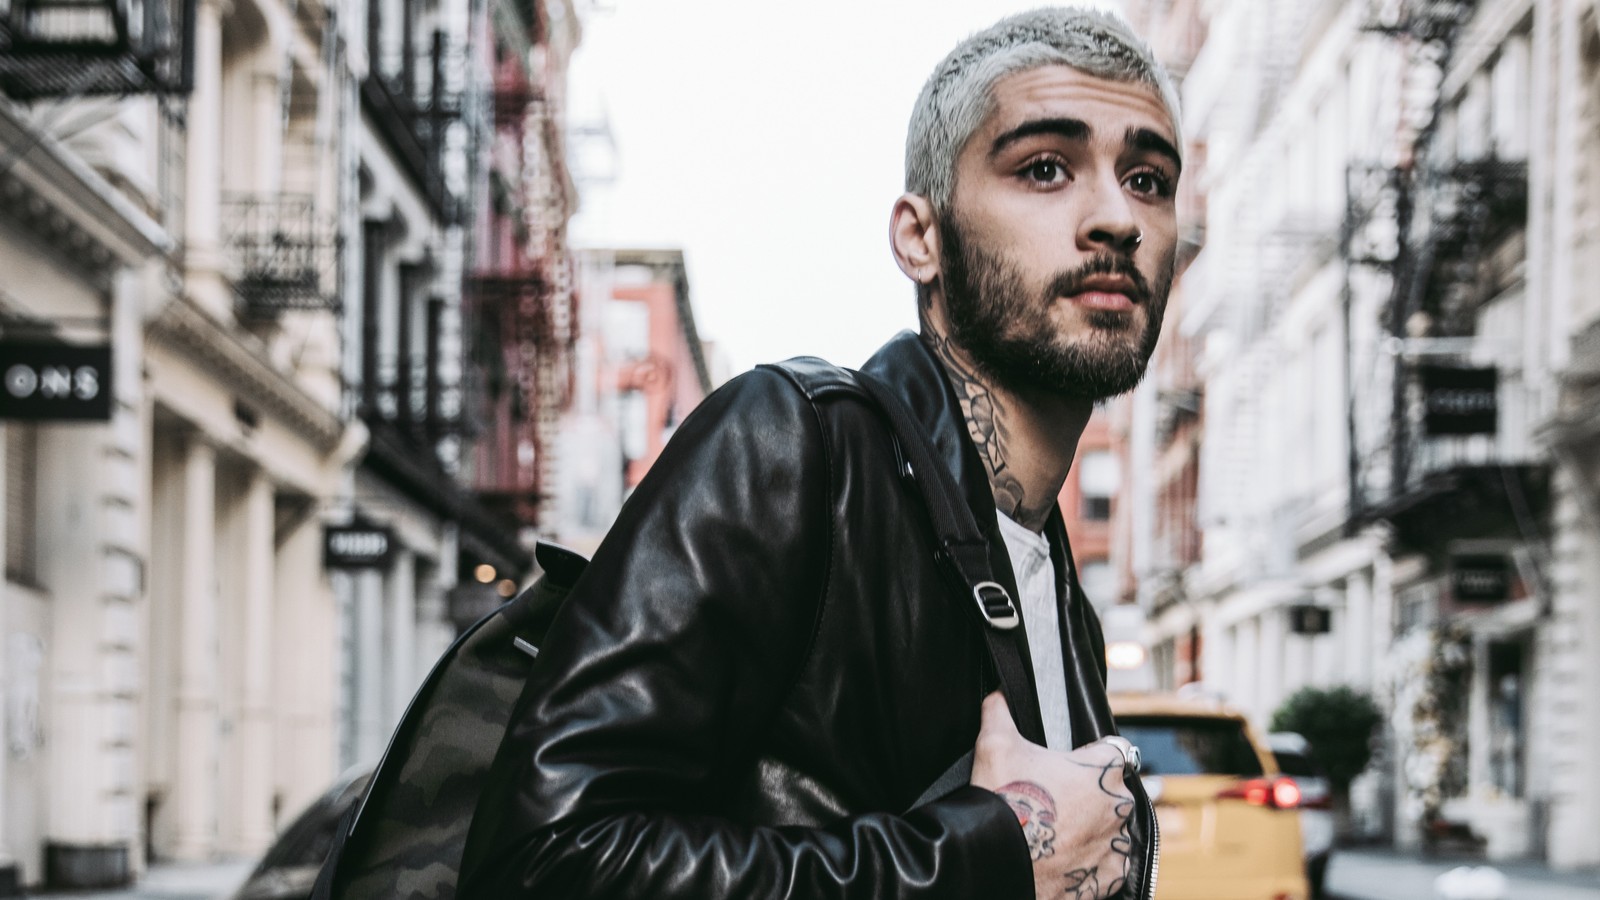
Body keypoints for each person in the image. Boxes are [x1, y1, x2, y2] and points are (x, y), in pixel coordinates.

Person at [459, 7, 1181, 899]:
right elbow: (536, 867)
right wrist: (976, 857)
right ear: (922, 238)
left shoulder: (1058, 592)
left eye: (1149, 179)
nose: (1117, 218)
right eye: (1044, 168)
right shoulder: (792, 449)